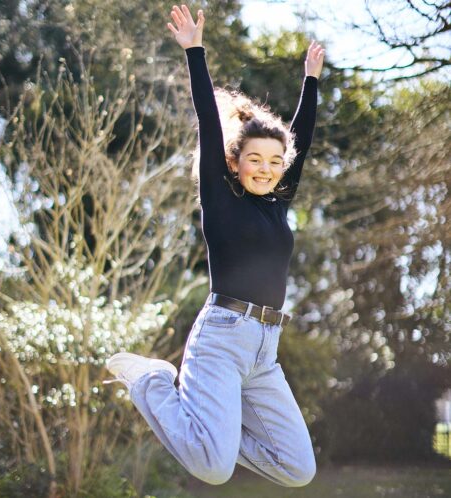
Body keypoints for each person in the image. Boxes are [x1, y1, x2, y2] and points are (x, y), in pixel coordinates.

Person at [105, 3, 325, 488]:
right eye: (254, 159)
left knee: (298, 470)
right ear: (235, 162)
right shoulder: (221, 199)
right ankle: (151, 380)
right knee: (213, 468)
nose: (266, 168)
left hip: (264, 351)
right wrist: (195, 51)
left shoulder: (277, 205)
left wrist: (311, 81)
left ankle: (216, 429)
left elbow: (301, 141)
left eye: (274, 161)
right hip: (222, 340)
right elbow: (208, 120)